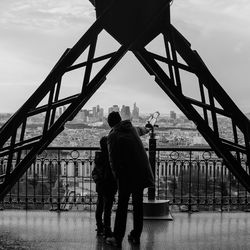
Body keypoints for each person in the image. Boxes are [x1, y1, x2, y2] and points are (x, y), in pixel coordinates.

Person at [105, 112, 154, 248]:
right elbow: (141, 130)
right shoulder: (131, 129)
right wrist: (148, 128)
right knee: (138, 206)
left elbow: (113, 160)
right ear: (120, 120)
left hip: (127, 176)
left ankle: (117, 238)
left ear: (110, 124)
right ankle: (135, 236)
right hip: (141, 172)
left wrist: (116, 177)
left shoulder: (113, 135)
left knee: (122, 207)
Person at [92, 136, 117, 238]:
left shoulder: (98, 157)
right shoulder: (112, 157)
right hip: (110, 185)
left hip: (100, 186)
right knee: (107, 209)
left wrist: (98, 181)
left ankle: (99, 226)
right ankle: (107, 229)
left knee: (100, 206)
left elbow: (95, 172)